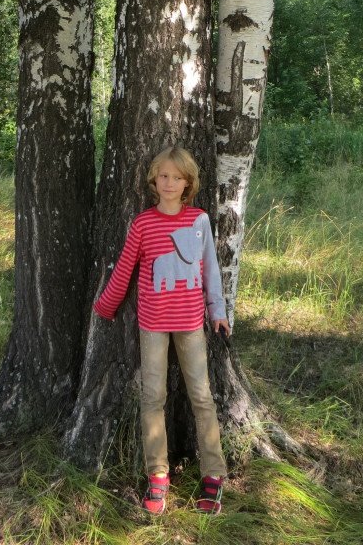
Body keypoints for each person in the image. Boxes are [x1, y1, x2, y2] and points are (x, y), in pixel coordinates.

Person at [93, 145, 230, 516]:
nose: (169, 183)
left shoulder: (199, 221)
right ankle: (157, 473)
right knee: (153, 397)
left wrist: (217, 311)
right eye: (164, 176)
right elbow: (125, 268)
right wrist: (106, 305)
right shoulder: (143, 223)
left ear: (188, 183)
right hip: (152, 324)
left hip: (191, 323)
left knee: (201, 396)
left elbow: (210, 269)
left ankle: (213, 472)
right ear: (154, 180)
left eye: (177, 177)